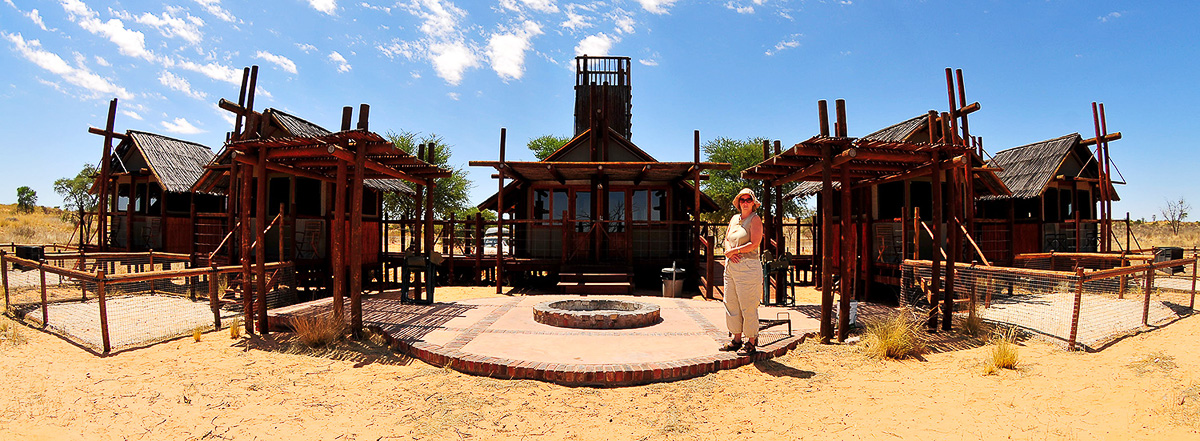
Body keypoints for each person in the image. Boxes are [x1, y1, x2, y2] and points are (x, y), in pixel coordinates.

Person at [720, 188, 764, 356]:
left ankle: (751, 341)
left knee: (748, 305)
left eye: (748, 200)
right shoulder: (734, 219)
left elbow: (754, 243)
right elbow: (726, 239)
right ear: (738, 203)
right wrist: (729, 252)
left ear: (753, 203)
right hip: (731, 265)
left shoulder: (755, 220)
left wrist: (735, 252)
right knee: (731, 302)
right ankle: (736, 339)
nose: (745, 202)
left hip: (748, 267)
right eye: (742, 200)